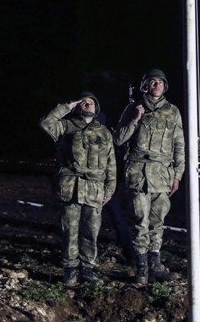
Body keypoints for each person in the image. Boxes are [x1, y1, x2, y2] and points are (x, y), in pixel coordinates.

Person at [113, 68, 185, 286]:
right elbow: (118, 139)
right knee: (140, 221)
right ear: (144, 86)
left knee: (157, 222)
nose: (156, 85)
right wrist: (135, 119)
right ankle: (142, 268)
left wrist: (178, 175)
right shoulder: (133, 108)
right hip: (139, 173)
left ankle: (155, 265)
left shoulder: (173, 111)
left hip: (163, 175)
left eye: (160, 82)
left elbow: (179, 145)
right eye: (152, 82)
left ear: (165, 86)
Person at [40, 92, 116, 286]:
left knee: (91, 230)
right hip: (71, 187)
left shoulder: (104, 132)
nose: (87, 105)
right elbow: (46, 123)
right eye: (84, 103)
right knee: (70, 230)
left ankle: (87, 267)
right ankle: (70, 268)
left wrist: (109, 189)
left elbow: (111, 163)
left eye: (91, 103)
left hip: (94, 188)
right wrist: (66, 106)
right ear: (77, 107)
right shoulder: (65, 127)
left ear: (96, 109)